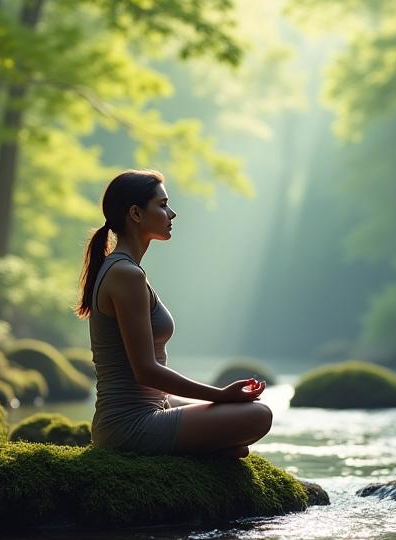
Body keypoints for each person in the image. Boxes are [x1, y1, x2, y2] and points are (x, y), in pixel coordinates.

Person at [76, 169, 272, 458]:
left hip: (149, 411)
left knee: (239, 429)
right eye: (163, 204)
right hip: (128, 427)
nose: (172, 213)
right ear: (136, 213)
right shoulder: (125, 274)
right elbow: (145, 371)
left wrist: (219, 404)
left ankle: (205, 446)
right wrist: (220, 394)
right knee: (259, 416)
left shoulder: (124, 270)